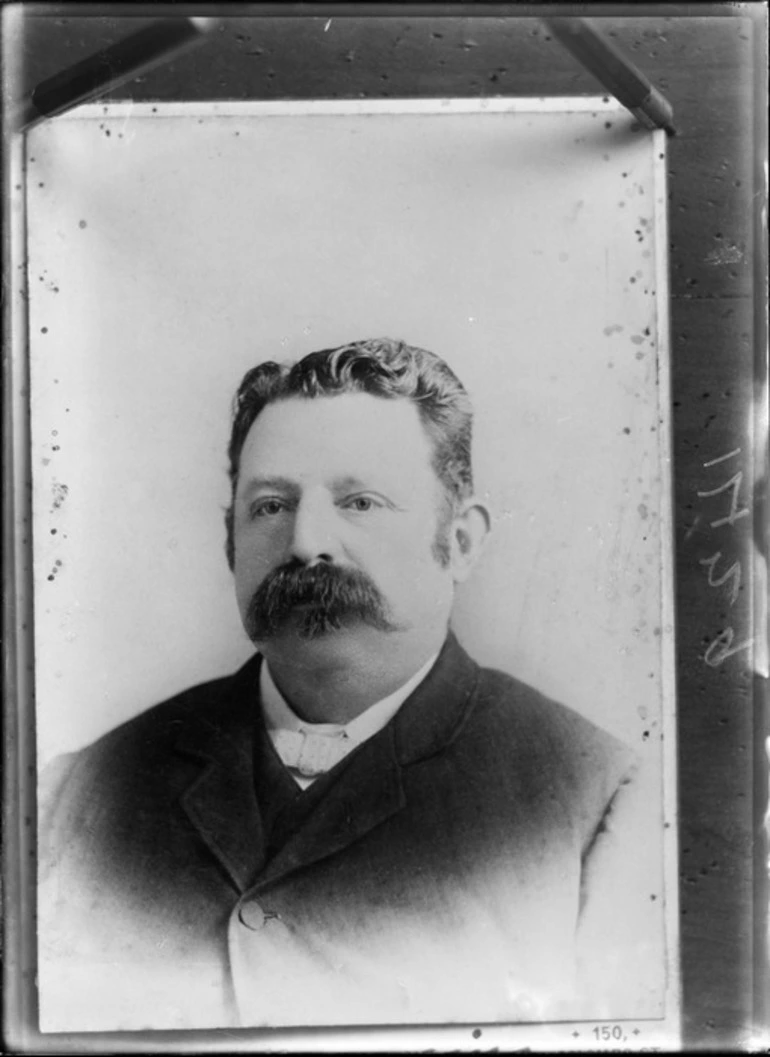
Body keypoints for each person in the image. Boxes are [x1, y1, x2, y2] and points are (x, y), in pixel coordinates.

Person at [38, 338, 663, 1033]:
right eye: (271, 506)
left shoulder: (602, 801)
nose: (307, 542)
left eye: (360, 502)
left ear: (460, 540)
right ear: (230, 543)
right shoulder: (76, 796)